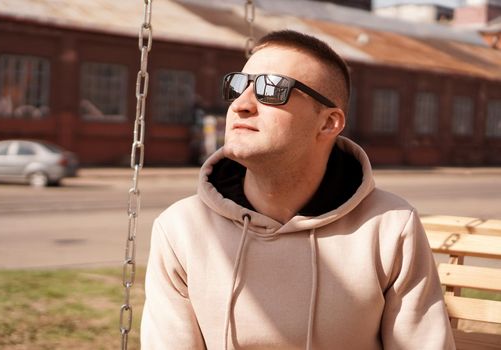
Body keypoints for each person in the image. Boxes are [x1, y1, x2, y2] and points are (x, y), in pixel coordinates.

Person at [141, 30, 455, 349]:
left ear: (328, 123)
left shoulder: (389, 226)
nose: (241, 105)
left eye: (272, 88)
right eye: (238, 86)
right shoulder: (181, 227)